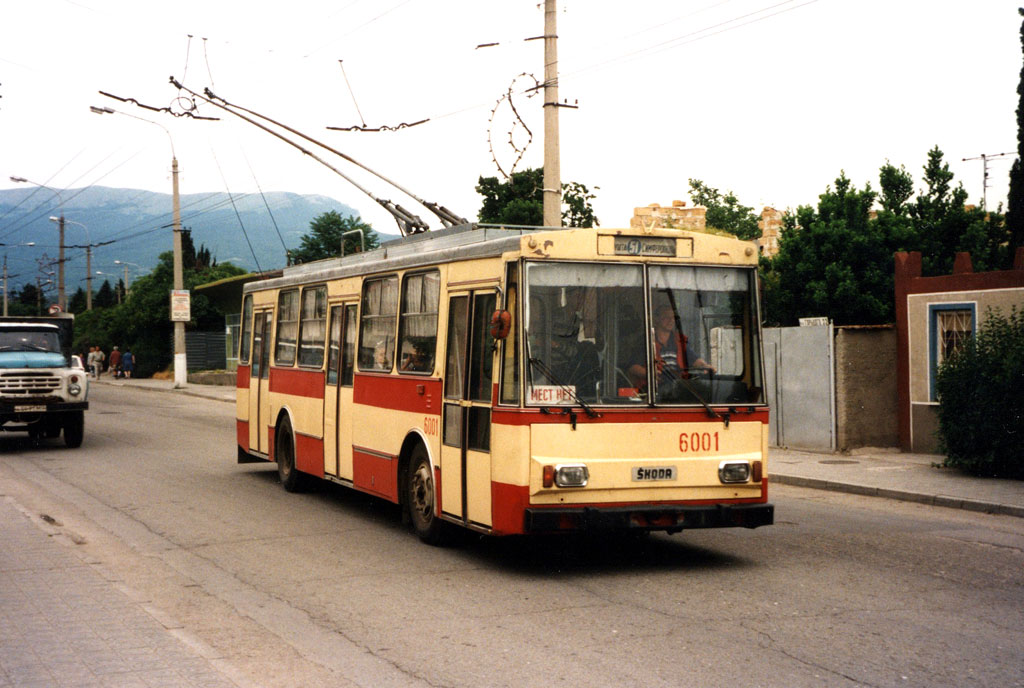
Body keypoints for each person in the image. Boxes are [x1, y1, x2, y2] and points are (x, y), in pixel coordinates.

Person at [628, 304, 713, 397]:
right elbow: (633, 368)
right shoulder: (646, 341)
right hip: (653, 391)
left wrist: (705, 366)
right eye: (666, 317)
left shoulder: (679, 340)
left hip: (678, 389)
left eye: (673, 318)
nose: (671, 320)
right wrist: (650, 374)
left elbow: (694, 359)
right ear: (656, 319)